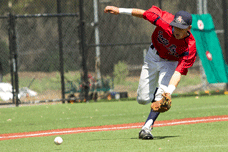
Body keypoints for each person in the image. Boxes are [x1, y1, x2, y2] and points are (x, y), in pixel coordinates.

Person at [104, 5, 197, 139]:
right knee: (142, 99)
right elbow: (144, 14)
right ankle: (154, 94)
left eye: (181, 28)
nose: (176, 30)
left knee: (162, 94)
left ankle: (146, 127)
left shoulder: (190, 46)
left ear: (189, 28)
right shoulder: (164, 21)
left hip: (170, 63)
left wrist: (168, 93)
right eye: (175, 26)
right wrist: (119, 10)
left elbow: (178, 72)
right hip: (153, 56)